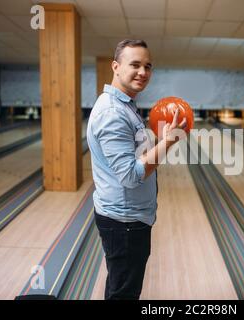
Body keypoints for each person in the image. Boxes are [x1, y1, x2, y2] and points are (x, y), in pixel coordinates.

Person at [87, 39, 186, 300]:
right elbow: (131, 175)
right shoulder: (112, 113)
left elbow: (134, 156)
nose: (143, 72)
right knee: (124, 293)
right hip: (125, 223)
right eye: (135, 65)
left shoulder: (125, 105)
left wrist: (158, 139)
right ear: (116, 66)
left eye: (148, 66)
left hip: (127, 218)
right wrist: (169, 141)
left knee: (120, 287)